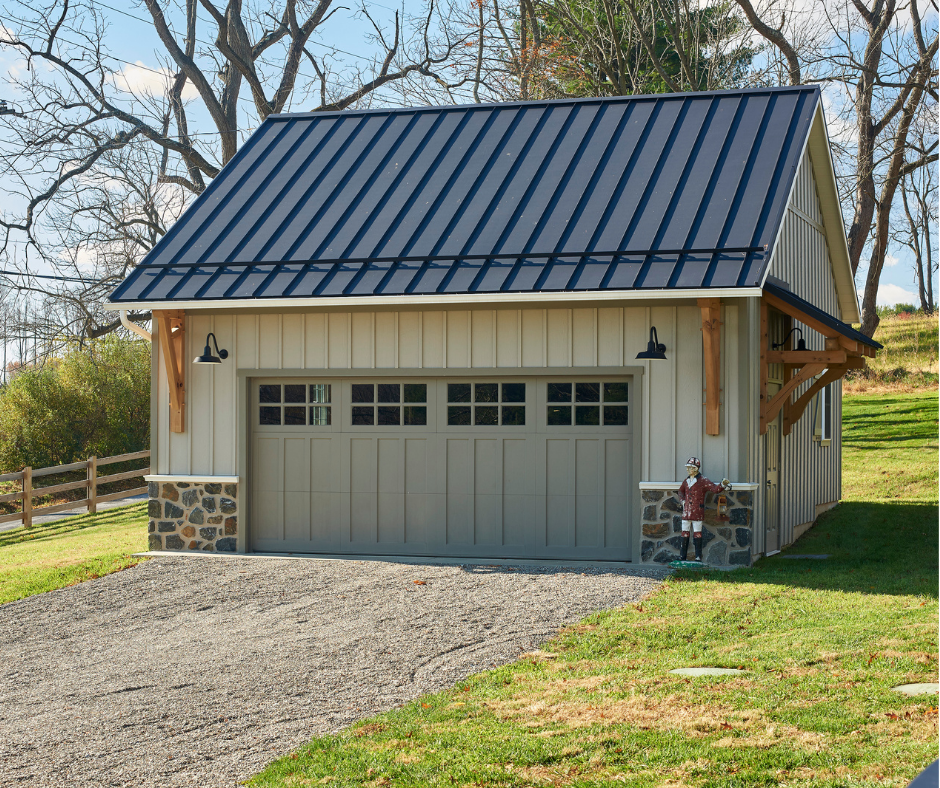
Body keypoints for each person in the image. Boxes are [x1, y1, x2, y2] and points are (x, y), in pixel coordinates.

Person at [676, 457, 730, 562]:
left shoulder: (703, 480)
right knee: (684, 532)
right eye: (687, 468)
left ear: (696, 469)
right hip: (686, 512)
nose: (688, 470)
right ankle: (682, 556)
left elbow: (714, 489)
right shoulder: (686, 481)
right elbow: (680, 491)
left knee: (697, 533)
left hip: (697, 511)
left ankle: (698, 557)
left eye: (690, 468)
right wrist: (683, 501)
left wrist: (722, 485)